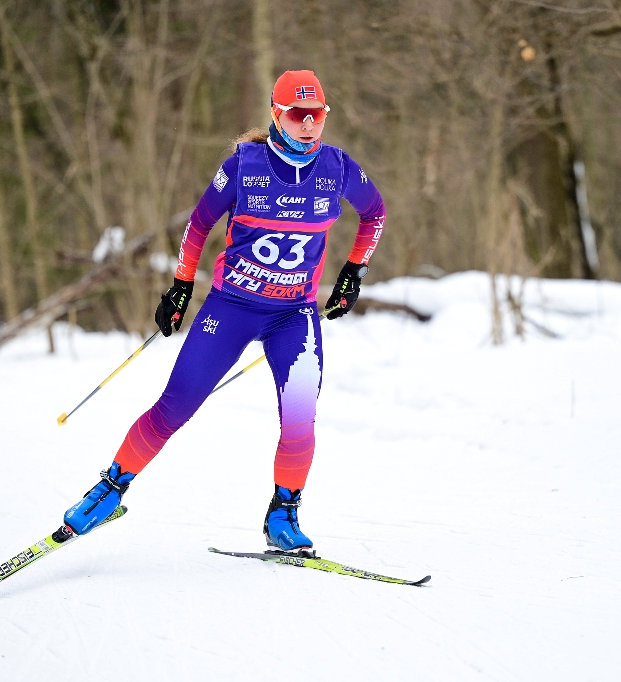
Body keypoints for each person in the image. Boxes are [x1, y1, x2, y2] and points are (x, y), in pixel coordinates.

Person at [61, 70, 385, 557]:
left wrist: (353, 272)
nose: (309, 125)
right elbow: (198, 224)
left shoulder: (338, 167)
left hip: (293, 316)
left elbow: (375, 212)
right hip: (232, 307)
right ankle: (109, 491)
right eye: (298, 115)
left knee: (300, 419)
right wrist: (181, 285)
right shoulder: (242, 167)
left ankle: (283, 515)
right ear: (277, 115)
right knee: (176, 406)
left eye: (317, 115)